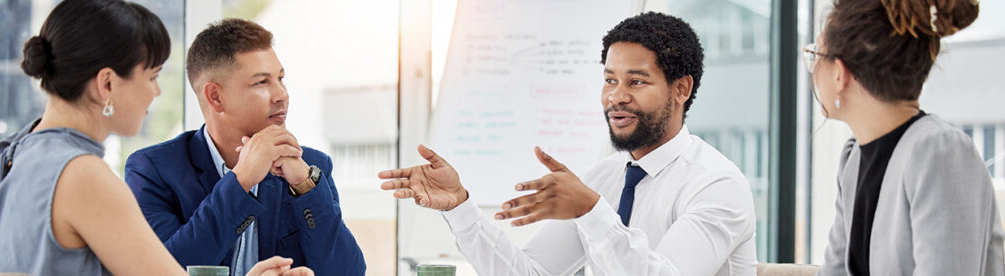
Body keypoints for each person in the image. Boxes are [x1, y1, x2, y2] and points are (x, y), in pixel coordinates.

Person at [380, 12, 756, 275]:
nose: (616, 97)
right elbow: (531, 273)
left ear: (681, 89)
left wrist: (592, 211)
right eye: (610, 80)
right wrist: (460, 207)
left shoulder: (717, 185)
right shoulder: (603, 179)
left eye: (636, 82)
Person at [0, 1, 312, 275]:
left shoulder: (11, 156)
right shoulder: (83, 175)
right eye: (152, 75)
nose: (156, 91)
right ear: (107, 84)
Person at [124, 18, 365, 275]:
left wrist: (305, 187)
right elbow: (164, 269)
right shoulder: (153, 170)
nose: (282, 94)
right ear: (215, 97)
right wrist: (241, 181)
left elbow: (348, 272)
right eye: (261, 82)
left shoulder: (311, 167)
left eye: (280, 78)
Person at [806, 0, 1004, 275]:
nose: (812, 68)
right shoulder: (853, 159)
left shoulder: (941, 153)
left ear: (840, 74)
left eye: (815, 54)